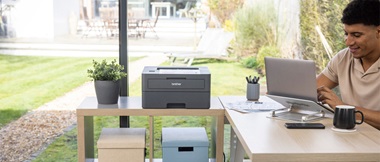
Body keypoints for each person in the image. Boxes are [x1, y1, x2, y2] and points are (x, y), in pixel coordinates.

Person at [317, 0, 380, 130]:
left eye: (356, 35)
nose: (348, 42)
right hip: (352, 137)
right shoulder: (343, 58)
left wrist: (344, 108)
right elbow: (311, 90)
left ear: (378, 32)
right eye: (346, 34)